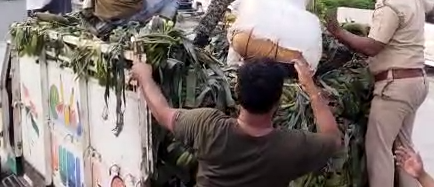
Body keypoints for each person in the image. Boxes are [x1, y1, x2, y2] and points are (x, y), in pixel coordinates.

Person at [130, 57, 342, 187]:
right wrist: (311, 89)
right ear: (277, 101)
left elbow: (162, 113)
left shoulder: (208, 126)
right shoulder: (292, 146)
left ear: (237, 92)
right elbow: (333, 138)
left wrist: (144, 76)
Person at [324, 0, 434, 187]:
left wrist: (339, 33)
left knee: (379, 148)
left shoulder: (389, 5)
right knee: (404, 148)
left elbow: (373, 46)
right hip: (417, 80)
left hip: (395, 86)